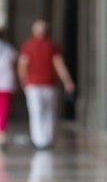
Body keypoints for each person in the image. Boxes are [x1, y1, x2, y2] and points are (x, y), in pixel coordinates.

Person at [18, 19, 75, 149]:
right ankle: (48, 139)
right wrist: (67, 81)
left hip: (32, 85)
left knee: (36, 112)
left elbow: (22, 65)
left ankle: (38, 140)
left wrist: (23, 82)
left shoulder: (28, 45)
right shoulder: (53, 46)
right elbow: (59, 65)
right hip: (49, 84)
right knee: (49, 112)